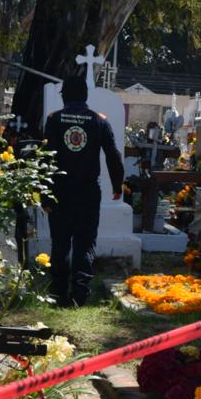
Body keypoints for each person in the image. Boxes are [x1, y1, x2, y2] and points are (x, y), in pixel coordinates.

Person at [43, 74, 125, 306]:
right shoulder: (99, 121)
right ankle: (80, 294)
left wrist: (45, 195)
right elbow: (113, 156)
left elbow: (46, 159)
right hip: (88, 192)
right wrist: (117, 186)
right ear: (85, 96)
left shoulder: (55, 119)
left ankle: (58, 293)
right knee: (85, 242)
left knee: (60, 242)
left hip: (60, 191)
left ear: (64, 97)